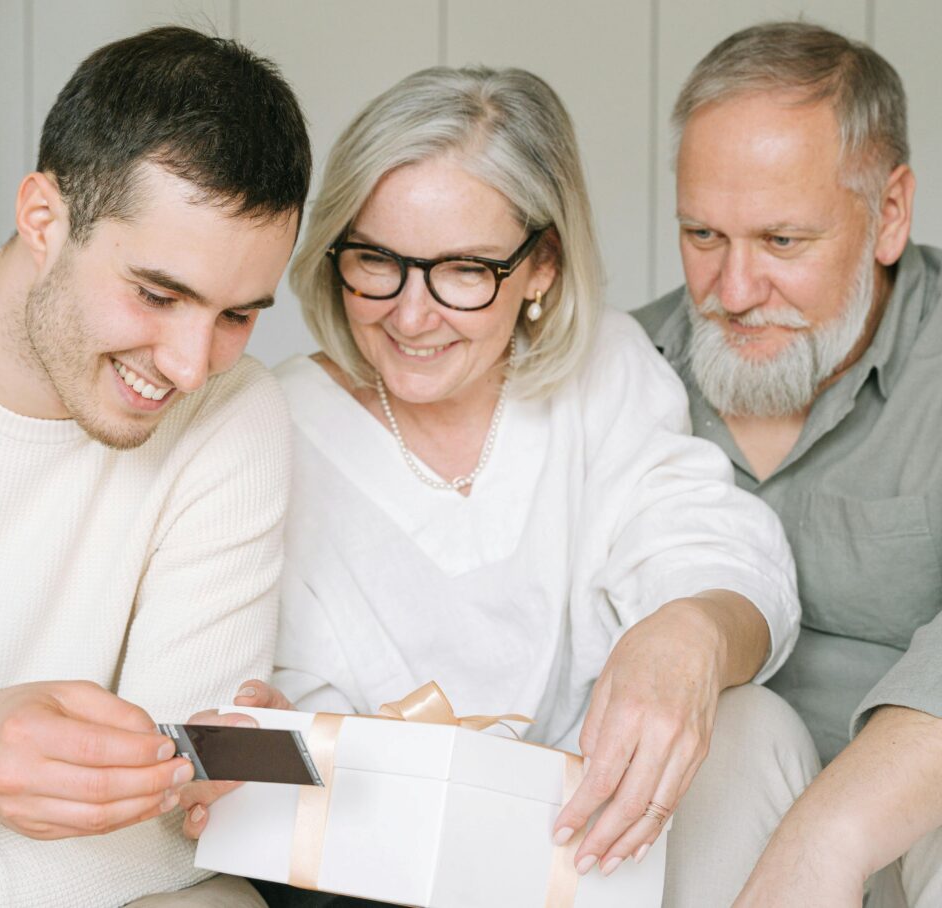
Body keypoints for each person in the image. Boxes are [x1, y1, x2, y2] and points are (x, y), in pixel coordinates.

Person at [181, 65, 819, 908]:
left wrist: (692, 630)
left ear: (542, 264)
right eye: (376, 261)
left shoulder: (604, 375)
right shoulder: (268, 424)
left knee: (758, 723)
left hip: (594, 848)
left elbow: (713, 544)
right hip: (365, 873)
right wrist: (253, 739)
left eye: (464, 271)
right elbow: (213, 720)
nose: (411, 316)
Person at [0, 26, 310, 907]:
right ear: (43, 219)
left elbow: (173, 823)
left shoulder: (234, 417)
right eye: (158, 295)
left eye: (238, 315)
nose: (189, 363)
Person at [633, 21, 942, 907]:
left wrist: (828, 837)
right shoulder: (620, 373)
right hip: (700, 839)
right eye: (702, 235)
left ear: (888, 214)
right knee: (739, 726)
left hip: (906, 836)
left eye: (782, 243)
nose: (732, 293)